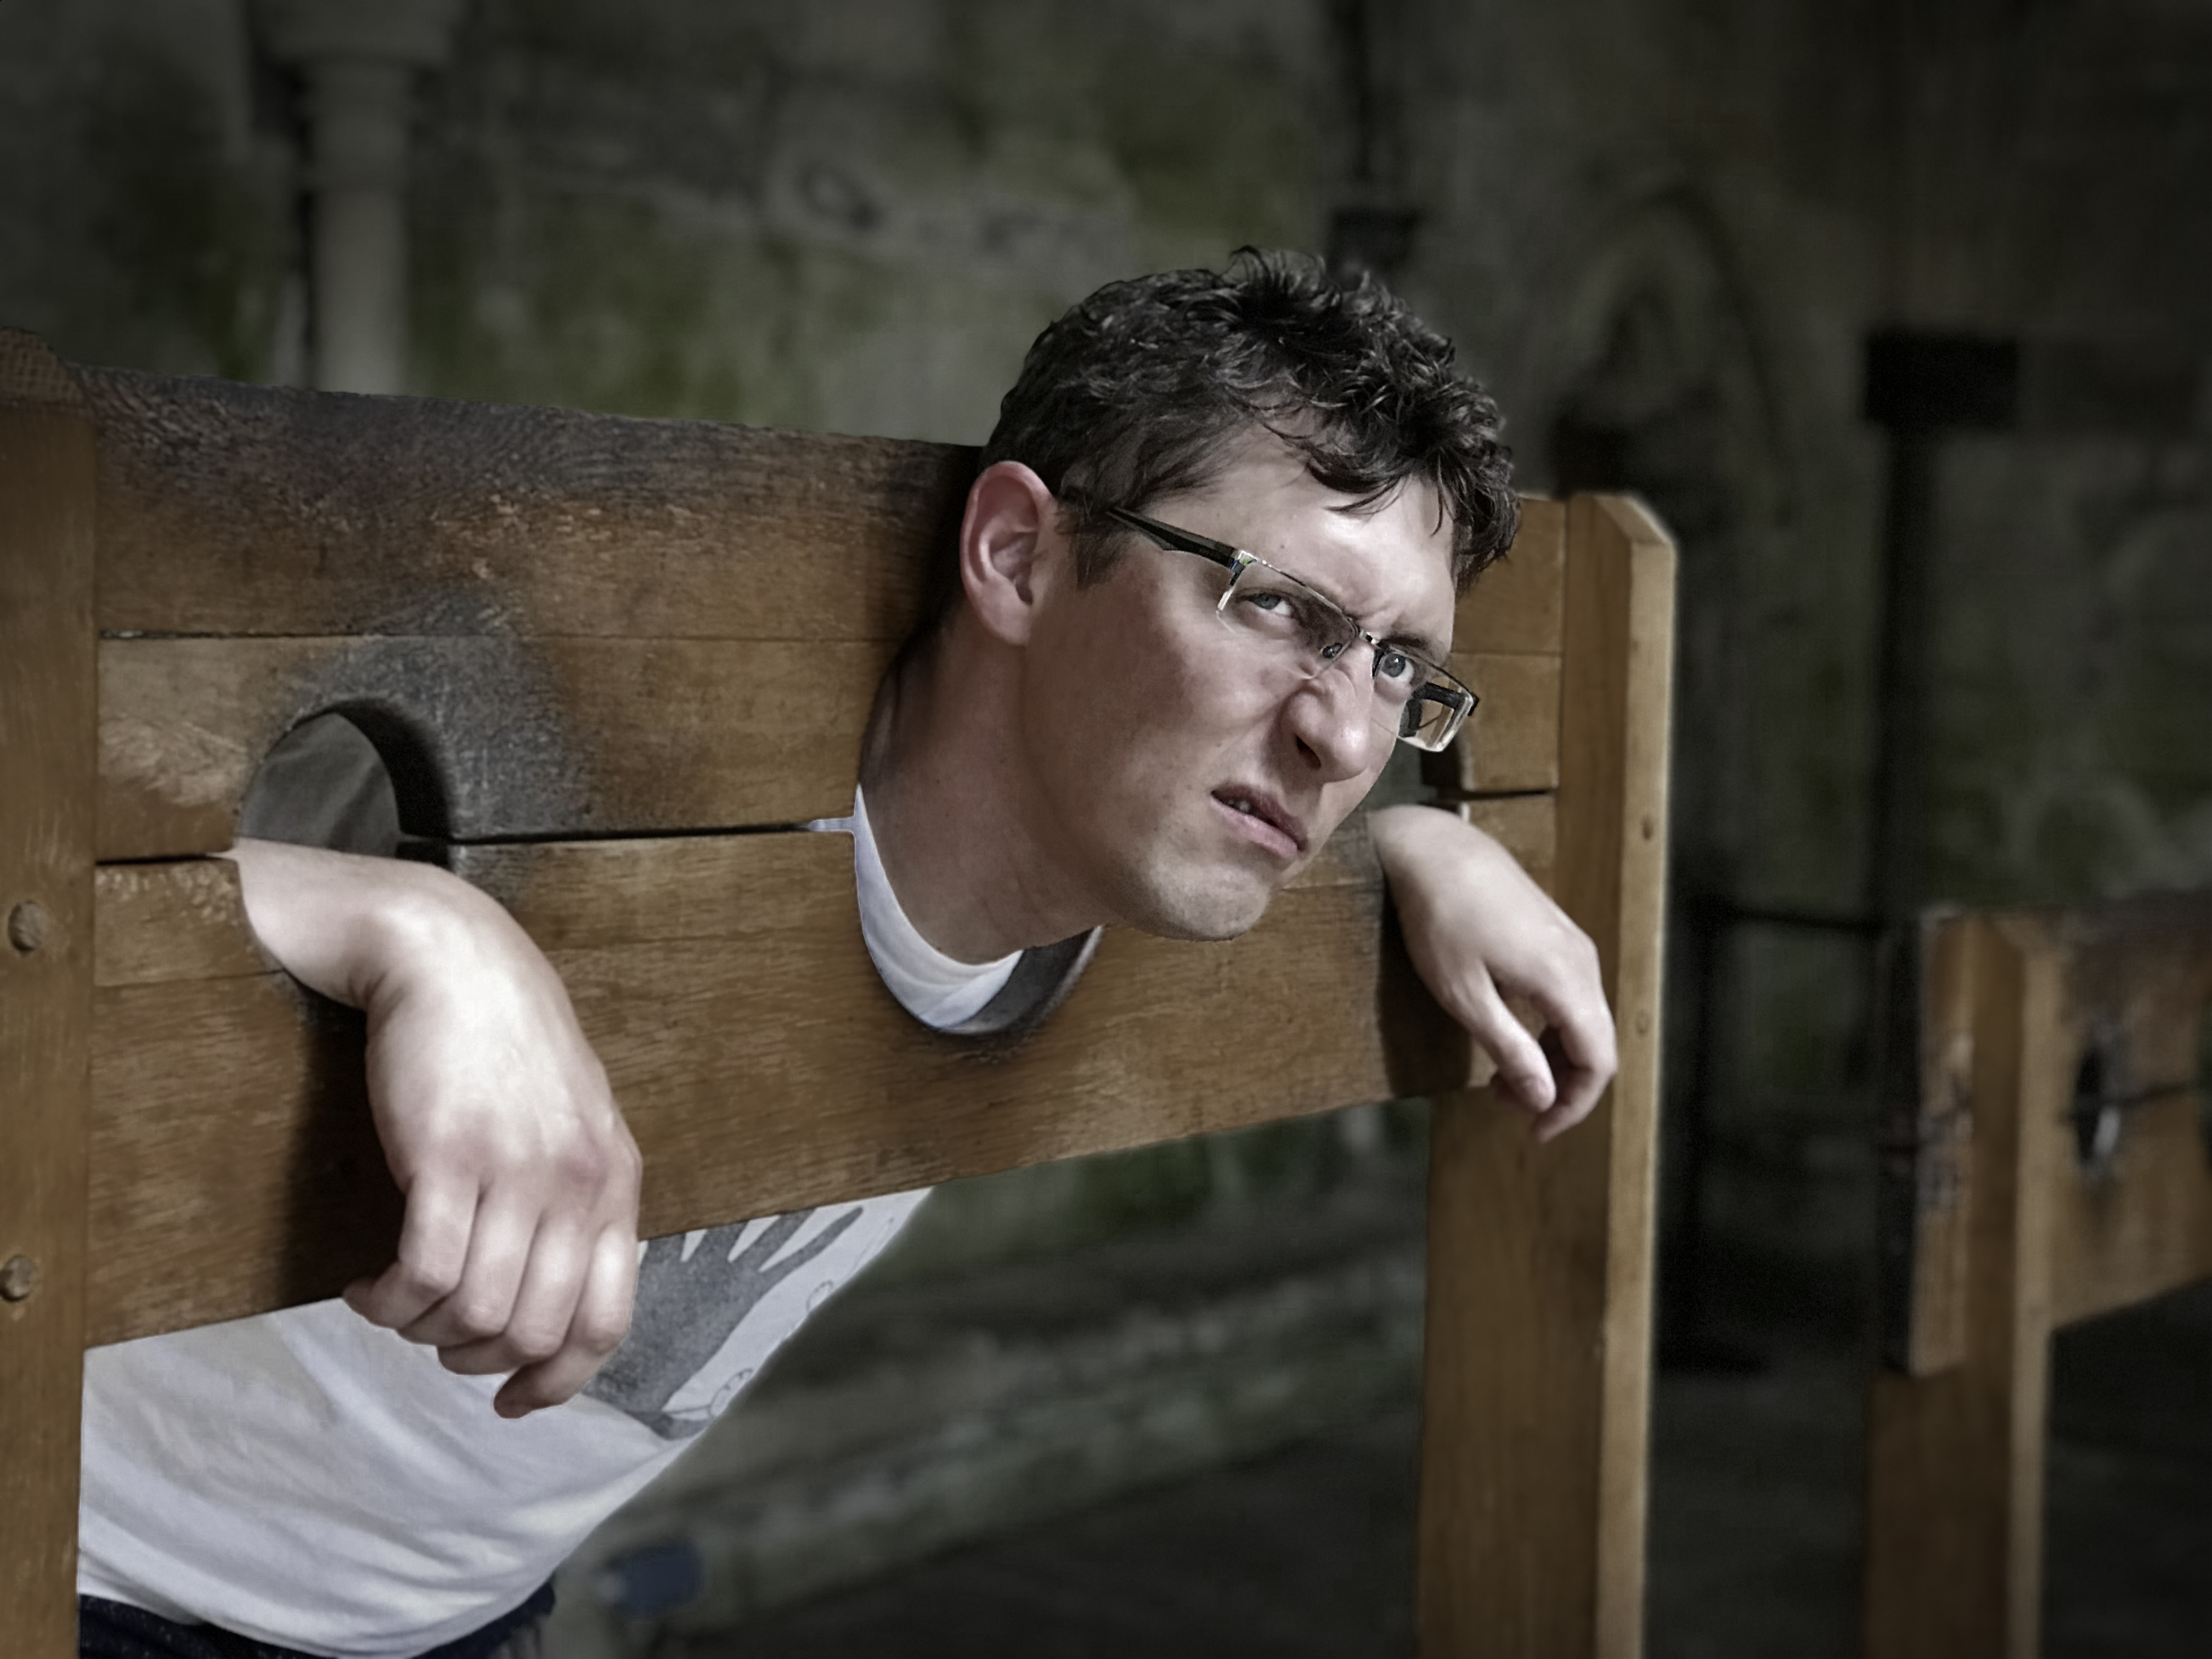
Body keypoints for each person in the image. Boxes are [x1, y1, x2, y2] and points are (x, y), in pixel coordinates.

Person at [75, 250, 1615, 1658]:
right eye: (1278, 607)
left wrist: (1423, 851)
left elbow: (1242, 819)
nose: (1344, 735)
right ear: (1017, 555)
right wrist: (413, 927)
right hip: (86, 1560)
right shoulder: (583, 741)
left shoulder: (1145, 846)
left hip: (458, 1621)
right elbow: (54, 917)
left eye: (1399, 665)